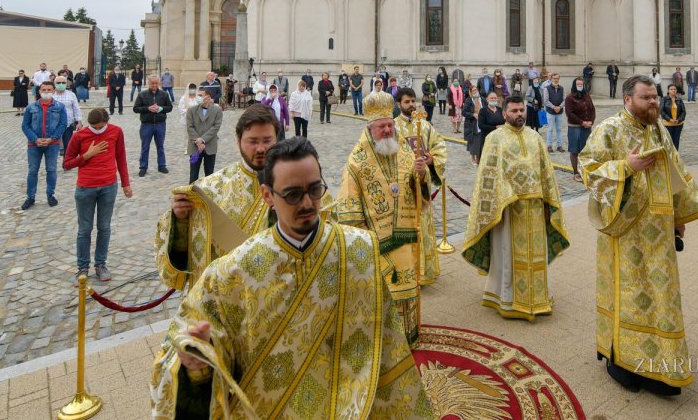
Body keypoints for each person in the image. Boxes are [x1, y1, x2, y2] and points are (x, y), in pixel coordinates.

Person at [151, 137, 435, 419]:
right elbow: (183, 350)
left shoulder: (359, 251)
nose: (308, 203)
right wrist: (197, 362)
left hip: (348, 409)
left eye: (315, 189)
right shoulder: (231, 272)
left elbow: (388, 349)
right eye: (293, 195)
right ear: (267, 196)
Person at [581, 75, 698, 396]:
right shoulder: (609, 130)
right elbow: (587, 169)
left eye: (655, 97)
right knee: (630, 295)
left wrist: (680, 218)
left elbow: (677, 172)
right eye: (646, 98)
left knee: (661, 297)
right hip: (625, 233)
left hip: (660, 234)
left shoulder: (660, 130)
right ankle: (621, 361)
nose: (654, 102)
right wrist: (626, 166)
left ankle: (659, 366)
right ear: (628, 100)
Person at [336, 90, 444, 344]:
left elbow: (419, 190)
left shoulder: (404, 150)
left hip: (406, 238)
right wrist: (363, 238)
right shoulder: (356, 160)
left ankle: (408, 337)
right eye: (381, 126)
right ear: (370, 128)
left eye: (389, 125)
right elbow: (348, 203)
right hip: (377, 243)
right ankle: (387, 343)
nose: (386, 130)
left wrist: (420, 175)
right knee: (383, 295)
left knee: (408, 290)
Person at [462, 94, 570, 320]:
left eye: (522, 110)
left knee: (536, 256)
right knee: (508, 254)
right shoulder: (495, 139)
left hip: (536, 207)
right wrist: (506, 196)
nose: (519, 114)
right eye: (514, 111)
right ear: (504, 113)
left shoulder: (535, 137)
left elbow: (546, 173)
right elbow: (488, 176)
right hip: (508, 209)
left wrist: (549, 201)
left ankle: (538, 298)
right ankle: (508, 299)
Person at [156, 104, 281, 291]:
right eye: (253, 141)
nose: (261, 148)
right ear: (238, 141)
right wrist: (180, 219)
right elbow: (186, 253)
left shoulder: (298, 185)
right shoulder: (210, 189)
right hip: (224, 293)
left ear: (277, 139)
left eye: (267, 140)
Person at [63, 108, 131, 281]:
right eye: (94, 127)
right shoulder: (79, 136)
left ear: (106, 122)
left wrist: (125, 183)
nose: (97, 130)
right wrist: (86, 155)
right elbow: (67, 164)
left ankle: (100, 264)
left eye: (100, 127)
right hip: (86, 188)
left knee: (104, 227)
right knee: (84, 229)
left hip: (108, 187)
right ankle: (82, 267)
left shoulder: (116, 131)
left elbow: (121, 157)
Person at [21, 81, 66, 208]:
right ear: (39, 91)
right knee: (32, 170)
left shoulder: (60, 107)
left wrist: (52, 138)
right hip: (34, 144)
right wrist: (35, 139)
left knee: (51, 169)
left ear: (53, 91)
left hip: (53, 144)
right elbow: (25, 125)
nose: (46, 92)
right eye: (43, 89)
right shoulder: (31, 107)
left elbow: (63, 124)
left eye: (49, 89)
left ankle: (50, 195)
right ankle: (30, 197)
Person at [134, 74, 173, 177]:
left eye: (156, 83)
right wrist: (148, 108)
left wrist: (161, 108)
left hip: (160, 124)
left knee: (160, 146)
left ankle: (161, 165)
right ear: (148, 83)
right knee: (145, 147)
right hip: (147, 124)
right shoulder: (142, 94)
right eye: (152, 83)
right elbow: (136, 108)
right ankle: (143, 167)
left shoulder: (164, 94)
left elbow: (169, 107)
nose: (155, 85)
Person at [186, 90, 224, 182]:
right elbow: (190, 127)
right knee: (193, 175)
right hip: (195, 146)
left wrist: (203, 140)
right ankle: (192, 194)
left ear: (207, 97)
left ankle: (208, 194)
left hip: (210, 146)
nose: (198, 97)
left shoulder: (217, 110)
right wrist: (198, 142)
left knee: (209, 175)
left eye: (200, 95)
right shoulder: (191, 110)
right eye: (198, 95)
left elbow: (216, 127)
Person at [565, 77, 595, 182]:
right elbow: (569, 113)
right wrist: (581, 122)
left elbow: (592, 109)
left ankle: (585, 171)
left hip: (587, 127)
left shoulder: (587, 96)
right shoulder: (570, 98)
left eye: (581, 84)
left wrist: (591, 121)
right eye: (578, 84)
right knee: (575, 150)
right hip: (575, 128)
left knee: (586, 151)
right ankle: (576, 172)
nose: (580, 86)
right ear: (574, 85)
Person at [52, 75, 83, 150]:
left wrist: (79, 122)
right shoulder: (51, 95)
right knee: (54, 146)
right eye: (58, 82)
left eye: (63, 82)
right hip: (53, 125)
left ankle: (66, 161)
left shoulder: (71, 94)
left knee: (68, 146)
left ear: (66, 83)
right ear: (54, 83)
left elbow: (76, 109)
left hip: (68, 124)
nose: (61, 84)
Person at [475, 91, 506, 164]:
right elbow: (481, 125)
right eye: (491, 98)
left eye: (495, 98)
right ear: (487, 99)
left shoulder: (500, 110)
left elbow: (505, 121)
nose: (493, 99)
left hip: (499, 139)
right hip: (487, 139)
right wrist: (495, 127)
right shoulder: (483, 111)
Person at [543, 72, 567, 153]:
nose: (556, 80)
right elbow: (546, 101)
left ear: (559, 79)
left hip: (559, 112)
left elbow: (564, 99)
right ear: (551, 79)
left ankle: (559, 146)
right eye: (554, 78)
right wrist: (554, 107)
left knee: (559, 129)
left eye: (557, 78)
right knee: (550, 129)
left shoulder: (562, 88)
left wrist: (560, 107)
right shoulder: (547, 88)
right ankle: (549, 146)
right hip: (550, 112)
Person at [661, 83, 687, 150]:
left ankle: (675, 156)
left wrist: (679, 120)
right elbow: (661, 111)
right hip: (667, 124)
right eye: (671, 89)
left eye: (675, 89)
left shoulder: (679, 99)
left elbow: (683, 112)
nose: (673, 90)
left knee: (676, 140)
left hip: (678, 124)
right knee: (668, 141)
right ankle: (669, 155)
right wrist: (669, 119)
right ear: (668, 91)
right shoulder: (664, 99)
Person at [462, 86, 482, 159]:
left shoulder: (482, 99)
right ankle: (473, 157)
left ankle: (479, 156)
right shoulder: (468, 100)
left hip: (481, 122)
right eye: (473, 90)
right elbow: (464, 112)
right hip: (472, 123)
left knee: (480, 140)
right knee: (473, 141)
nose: (475, 91)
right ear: (470, 92)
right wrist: (472, 114)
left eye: (476, 89)